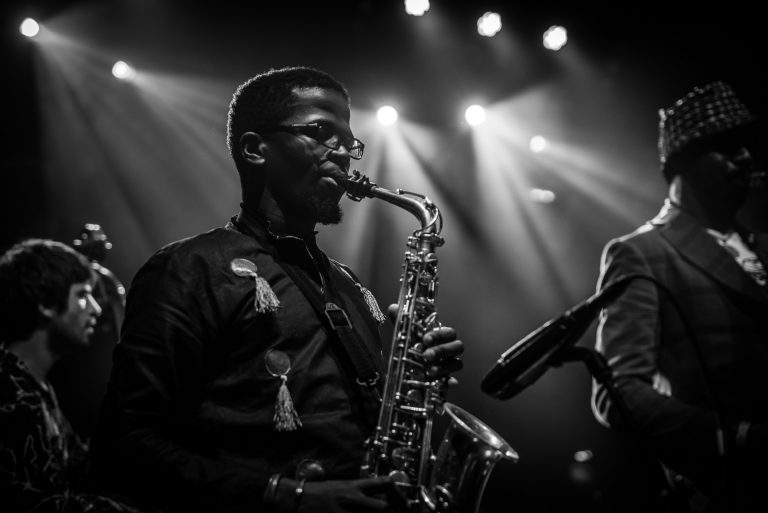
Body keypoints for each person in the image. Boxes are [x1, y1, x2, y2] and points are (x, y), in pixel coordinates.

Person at [89, 66, 464, 513]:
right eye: (322, 132)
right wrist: (291, 498)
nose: (344, 153)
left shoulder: (346, 284)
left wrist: (419, 379)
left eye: (349, 141)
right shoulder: (190, 269)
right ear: (254, 149)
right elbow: (124, 445)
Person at [590, 80, 768, 513]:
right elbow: (617, 391)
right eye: (725, 148)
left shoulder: (762, 245)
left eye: (745, 145)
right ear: (683, 164)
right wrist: (736, 439)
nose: (745, 157)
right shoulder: (640, 252)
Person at [0, 238, 143, 513]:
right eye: (82, 295)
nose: (96, 308)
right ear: (45, 303)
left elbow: (78, 467)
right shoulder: (8, 391)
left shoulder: (35, 385)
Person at [49, 223, 127, 438]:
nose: (95, 307)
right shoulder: (79, 278)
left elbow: (119, 316)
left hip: (98, 356)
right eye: (83, 296)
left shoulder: (107, 281)